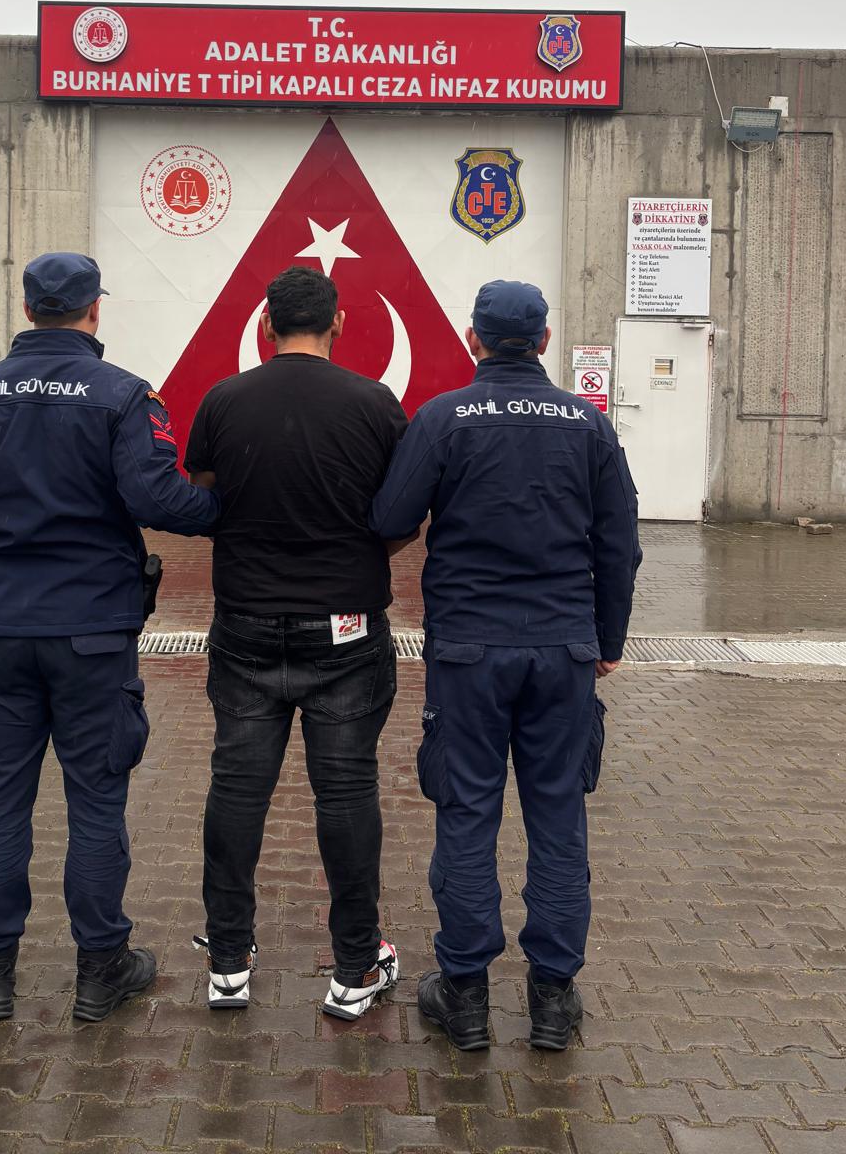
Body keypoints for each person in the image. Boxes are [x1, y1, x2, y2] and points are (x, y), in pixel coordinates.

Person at [0, 251, 218, 1024]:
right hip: (91, 633)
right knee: (95, 802)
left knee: (0, 803)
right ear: (94, 311)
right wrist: (239, 511)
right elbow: (155, 495)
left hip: (1, 632)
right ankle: (99, 971)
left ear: (28, 310)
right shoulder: (122, 396)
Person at [369, 280, 641, 1053]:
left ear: (473, 339)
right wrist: (609, 639)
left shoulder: (443, 417)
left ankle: (465, 997)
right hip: (563, 649)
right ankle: (553, 1001)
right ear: (546, 341)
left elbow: (390, 519)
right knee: (558, 817)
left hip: (469, 650)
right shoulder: (587, 424)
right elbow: (620, 543)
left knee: (466, 814)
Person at [184, 266, 410, 1020]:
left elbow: (207, 486)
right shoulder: (375, 403)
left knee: (237, 786)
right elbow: (401, 510)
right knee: (346, 793)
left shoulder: (224, 399)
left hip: (245, 622)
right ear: (338, 324)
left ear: (265, 327)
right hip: (346, 628)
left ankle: (227, 961)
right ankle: (354, 967)